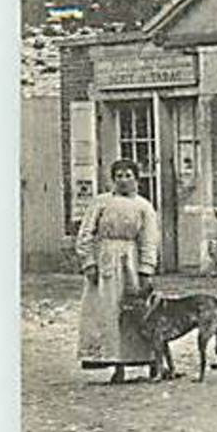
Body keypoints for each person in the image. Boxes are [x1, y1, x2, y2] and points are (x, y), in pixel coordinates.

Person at [75, 159, 161, 383]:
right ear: (112, 179)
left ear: (136, 179)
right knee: (108, 310)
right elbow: (85, 234)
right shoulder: (100, 203)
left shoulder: (143, 206)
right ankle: (114, 362)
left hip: (130, 262)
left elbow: (149, 240)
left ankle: (145, 359)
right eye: (119, 176)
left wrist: (146, 269)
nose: (123, 180)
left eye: (128, 175)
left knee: (135, 311)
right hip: (105, 261)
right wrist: (89, 263)